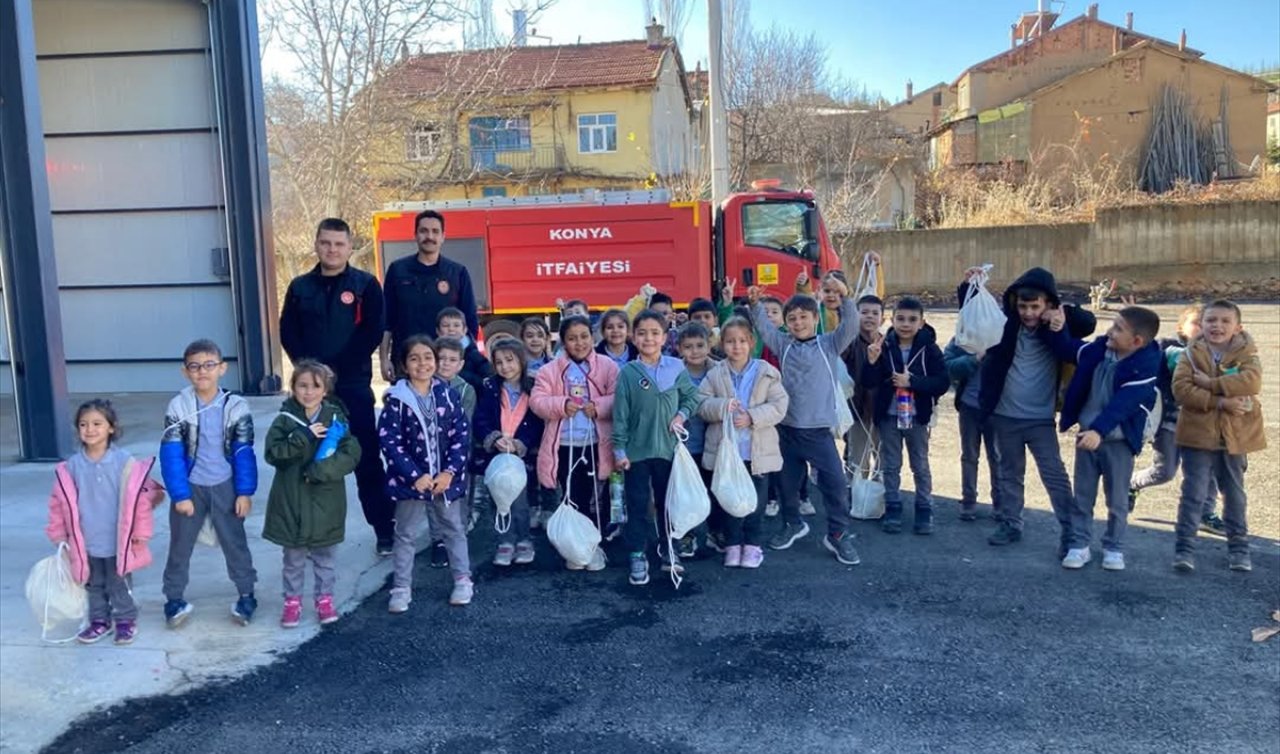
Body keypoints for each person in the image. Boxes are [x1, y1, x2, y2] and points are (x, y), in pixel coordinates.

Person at [279, 217, 393, 555]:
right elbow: (289, 331)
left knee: (366, 460)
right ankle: (312, 533)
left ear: (349, 248)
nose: (332, 249)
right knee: (309, 459)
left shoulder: (365, 285)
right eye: (326, 243)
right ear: (316, 244)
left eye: (339, 244)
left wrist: (334, 371)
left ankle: (384, 530)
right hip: (310, 391)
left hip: (353, 386)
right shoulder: (300, 287)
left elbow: (372, 331)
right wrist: (311, 375)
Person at [977, 267, 1096, 554]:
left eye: (1035, 306)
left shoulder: (1055, 327)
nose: (1028, 313)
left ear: (1047, 304)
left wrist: (1061, 313)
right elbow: (973, 310)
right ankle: (1010, 522)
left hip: (1040, 419)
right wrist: (970, 283)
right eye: (1023, 306)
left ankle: (1071, 531)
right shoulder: (1006, 325)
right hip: (1005, 415)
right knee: (1009, 473)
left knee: (1054, 475)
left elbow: (1088, 322)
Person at [749, 284, 861, 566]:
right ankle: (793, 524)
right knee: (787, 485)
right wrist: (755, 305)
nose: (798, 322)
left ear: (815, 318)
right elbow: (764, 328)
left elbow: (851, 324)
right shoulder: (783, 345)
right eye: (792, 318)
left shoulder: (829, 344)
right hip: (786, 430)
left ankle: (837, 533)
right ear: (786, 323)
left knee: (835, 483)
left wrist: (845, 298)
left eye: (803, 317)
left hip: (819, 433)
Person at [1050, 306, 1163, 572]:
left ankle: (1113, 547)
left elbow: (1123, 405)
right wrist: (1057, 328)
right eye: (1113, 325)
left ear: (1136, 342)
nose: (1110, 331)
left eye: (1118, 329)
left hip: (1118, 442)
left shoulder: (1145, 366)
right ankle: (1079, 545)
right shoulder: (1099, 350)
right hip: (1087, 438)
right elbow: (1068, 349)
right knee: (1083, 496)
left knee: (1117, 500)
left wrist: (1098, 431)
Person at [46, 400, 165, 645]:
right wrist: (59, 535)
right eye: (83, 424)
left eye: (97, 423)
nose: (90, 429)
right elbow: (58, 503)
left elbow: (140, 501)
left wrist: (141, 532)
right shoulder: (71, 466)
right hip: (86, 540)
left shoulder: (124, 462)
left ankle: (125, 619)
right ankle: (99, 621)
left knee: (118, 582)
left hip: (118, 539)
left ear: (111, 428)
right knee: (93, 583)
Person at [160, 339, 259, 628]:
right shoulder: (179, 405)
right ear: (185, 372)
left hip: (225, 484)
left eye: (209, 365)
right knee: (180, 544)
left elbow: (243, 451)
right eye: (194, 366)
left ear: (222, 368)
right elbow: (172, 454)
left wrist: (244, 492)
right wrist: (179, 494)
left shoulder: (236, 405)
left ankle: (246, 594)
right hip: (191, 486)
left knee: (234, 542)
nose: (202, 372)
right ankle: (174, 598)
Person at [262, 361, 362, 627]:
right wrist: (303, 436)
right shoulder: (285, 421)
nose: (308, 392)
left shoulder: (336, 419)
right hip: (291, 501)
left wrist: (320, 471)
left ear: (325, 390)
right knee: (293, 559)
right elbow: (274, 454)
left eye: (315, 386)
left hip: (326, 502)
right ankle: (292, 602)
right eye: (302, 386)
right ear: (292, 388)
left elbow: (350, 454)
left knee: (324, 558)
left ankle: (324, 599)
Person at [378, 336, 473, 610]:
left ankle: (463, 579)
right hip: (411, 483)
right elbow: (390, 442)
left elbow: (460, 436)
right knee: (406, 533)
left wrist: (450, 473)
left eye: (428, 357)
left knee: (454, 528)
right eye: (414, 358)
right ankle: (401, 587)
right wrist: (414, 476)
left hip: (446, 481)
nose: (422, 363)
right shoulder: (396, 400)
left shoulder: (448, 395)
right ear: (404, 365)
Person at [1171, 300, 1265, 573]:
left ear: (1238, 327)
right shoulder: (1190, 353)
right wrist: (1221, 401)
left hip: (1235, 436)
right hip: (1197, 435)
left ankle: (1239, 549)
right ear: (1202, 325)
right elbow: (1182, 390)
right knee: (1194, 493)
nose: (1218, 326)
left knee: (1234, 494)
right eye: (1211, 320)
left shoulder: (1247, 351)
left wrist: (1210, 384)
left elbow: (1252, 382)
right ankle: (1184, 549)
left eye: (1225, 321)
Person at [613, 310, 701, 586]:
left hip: (668, 451)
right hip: (636, 453)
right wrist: (619, 450)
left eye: (654, 333)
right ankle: (638, 553)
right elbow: (620, 414)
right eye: (642, 333)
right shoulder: (627, 372)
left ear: (665, 337)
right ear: (633, 337)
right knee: (638, 505)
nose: (648, 338)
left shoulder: (676, 367)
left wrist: (681, 415)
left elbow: (692, 397)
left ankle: (668, 547)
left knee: (667, 504)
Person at [696, 318, 788, 569]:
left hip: (756, 451)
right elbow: (701, 404)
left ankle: (753, 544)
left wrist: (752, 417)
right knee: (729, 499)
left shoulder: (767, 372)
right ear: (722, 344)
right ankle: (733, 544)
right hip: (728, 453)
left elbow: (780, 406)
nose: (736, 346)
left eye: (741, 341)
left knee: (755, 502)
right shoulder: (715, 374)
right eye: (730, 341)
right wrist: (722, 407)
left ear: (751, 343)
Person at [530, 315, 619, 571]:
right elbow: (538, 401)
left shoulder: (608, 366)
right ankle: (576, 545)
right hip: (565, 444)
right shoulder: (550, 370)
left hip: (595, 443)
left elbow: (618, 397)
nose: (579, 343)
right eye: (572, 338)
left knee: (597, 497)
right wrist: (561, 405)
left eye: (584, 337)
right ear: (564, 342)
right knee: (572, 495)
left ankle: (595, 545)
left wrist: (599, 406)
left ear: (593, 337)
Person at [1129, 303, 1221, 533]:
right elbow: (1179, 361)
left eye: (1208, 323)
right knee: (1165, 471)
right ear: (1182, 327)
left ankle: (1205, 512)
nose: (1202, 328)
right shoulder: (1170, 349)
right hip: (1171, 425)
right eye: (1196, 323)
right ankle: (1132, 483)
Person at [860, 297, 948, 535]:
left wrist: (913, 382)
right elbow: (869, 382)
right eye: (900, 318)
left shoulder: (929, 348)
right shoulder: (884, 346)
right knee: (891, 464)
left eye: (912, 319)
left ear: (922, 322)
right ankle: (893, 507)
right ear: (892, 319)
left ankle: (924, 508)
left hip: (917, 417)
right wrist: (871, 361)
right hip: (889, 415)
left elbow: (942, 382)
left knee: (919, 464)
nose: (905, 324)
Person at [380, 209, 479, 380]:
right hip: (407, 362)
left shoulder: (457, 272)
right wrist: (383, 359)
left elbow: (470, 322)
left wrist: (464, 358)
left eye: (435, 231)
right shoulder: (398, 270)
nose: (429, 236)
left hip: (445, 365)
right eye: (423, 231)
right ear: (415, 235)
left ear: (443, 236)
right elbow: (386, 320)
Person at [472, 339, 545, 567]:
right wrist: (494, 438)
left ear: (521, 360)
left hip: (521, 456)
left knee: (520, 501)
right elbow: (480, 418)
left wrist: (521, 443)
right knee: (498, 499)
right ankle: (504, 540)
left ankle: (523, 539)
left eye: (510, 360)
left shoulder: (533, 387)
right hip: (497, 454)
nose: (505, 366)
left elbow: (537, 422)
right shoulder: (490, 387)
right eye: (499, 362)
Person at [676, 321, 718, 556]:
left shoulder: (718, 371)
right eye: (688, 346)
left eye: (700, 345)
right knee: (686, 493)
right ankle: (687, 535)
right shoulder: (674, 372)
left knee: (711, 489)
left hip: (711, 443)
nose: (695, 351)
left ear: (708, 345)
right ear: (680, 349)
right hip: (684, 445)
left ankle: (714, 531)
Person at [435, 337, 480, 546]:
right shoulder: (425, 386)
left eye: (452, 359)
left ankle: (460, 531)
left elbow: (466, 423)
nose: (445, 363)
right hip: (432, 451)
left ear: (460, 364)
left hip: (458, 450)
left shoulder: (465, 390)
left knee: (459, 493)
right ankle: (438, 539)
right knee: (433, 496)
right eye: (441, 358)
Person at [843, 294, 886, 479]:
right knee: (857, 459)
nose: (869, 316)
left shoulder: (888, 343)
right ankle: (856, 498)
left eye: (875, 313)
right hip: (857, 409)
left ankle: (878, 499)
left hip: (882, 410)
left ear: (882, 318)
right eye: (864, 312)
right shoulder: (849, 342)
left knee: (883, 458)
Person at [437, 307, 491, 389]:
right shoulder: (432, 353)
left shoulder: (474, 355)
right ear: (438, 331)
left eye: (456, 325)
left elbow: (487, 379)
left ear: (465, 330)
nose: (451, 329)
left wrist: (459, 375)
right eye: (446, 325)